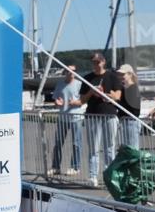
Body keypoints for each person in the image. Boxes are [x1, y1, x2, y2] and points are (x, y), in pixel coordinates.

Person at [80, 52, 122, 187]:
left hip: (109, 115)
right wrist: (92, 92)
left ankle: (109, 176)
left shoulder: (112, 76)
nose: (96, 64)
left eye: (98, 62)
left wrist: (104, 94)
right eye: (93, 62)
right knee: (93, 148)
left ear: (103, 62)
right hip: (92, 115)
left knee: (109, 147)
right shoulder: (87, 78)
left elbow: (118, 96)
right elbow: (82, 100)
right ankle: (93, 176)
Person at [48, 65, 84, 176]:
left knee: (76, 143)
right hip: (62, 117)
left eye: (73, 71)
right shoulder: (60, 84)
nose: (71, 72)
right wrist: (57, 103)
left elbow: (83, 100)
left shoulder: (79, 84)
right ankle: (55, 167)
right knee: (58, 143)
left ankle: (75, 167)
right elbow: (56, 100)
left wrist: (75, 102)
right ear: (65, 72)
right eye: (68, 71)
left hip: (76, 117)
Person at [116, 64, 142, 149]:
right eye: (119, 74)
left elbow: (134, 109)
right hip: (124, 122)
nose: (120, 76)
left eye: (123, 74)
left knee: (132, 150)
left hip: (131, 122)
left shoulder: (133, 88)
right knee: (127, 150)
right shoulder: (124, 88)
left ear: (130, 74)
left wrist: (115, 101)